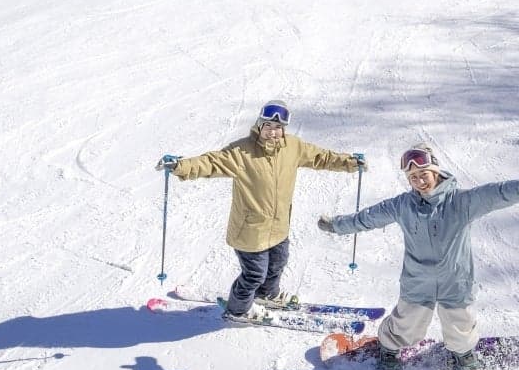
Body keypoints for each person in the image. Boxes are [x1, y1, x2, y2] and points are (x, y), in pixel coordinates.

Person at [317, 145, 519, 370]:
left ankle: (463, 354)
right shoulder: (403, 205)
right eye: (413, 177)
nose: (420, 181)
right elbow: (368, 217)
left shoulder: (460, 202)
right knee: (406, 322)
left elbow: (495, 194)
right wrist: (336, 225)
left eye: (423, 174)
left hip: (455, 279)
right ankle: (389, 349)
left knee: (460, 323)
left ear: (436, 171)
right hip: (417, 279)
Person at [156, 100, 364, 323]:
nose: (273, 133)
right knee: (254, 274)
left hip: (279, 225)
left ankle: (267, 295)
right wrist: (180, 166)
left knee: (278, 263)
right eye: (268, 127)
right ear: (259, 125)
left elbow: (321, 157)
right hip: (250, 230)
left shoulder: (293, 147)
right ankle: (238, 310)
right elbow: (211, 163)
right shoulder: (241, 152)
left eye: (277, 128)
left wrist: (350, 163)